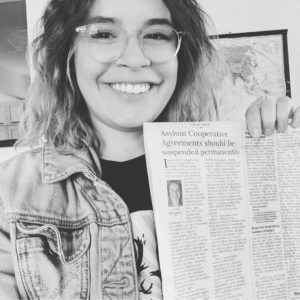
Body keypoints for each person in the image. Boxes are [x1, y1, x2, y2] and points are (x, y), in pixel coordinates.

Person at [0, 0, 299, 299]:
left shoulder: (235, 170)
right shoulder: (9, 196)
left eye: (157, 35)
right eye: (103, 33)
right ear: (68, 51)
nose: (134, 58)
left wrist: (281, 152)